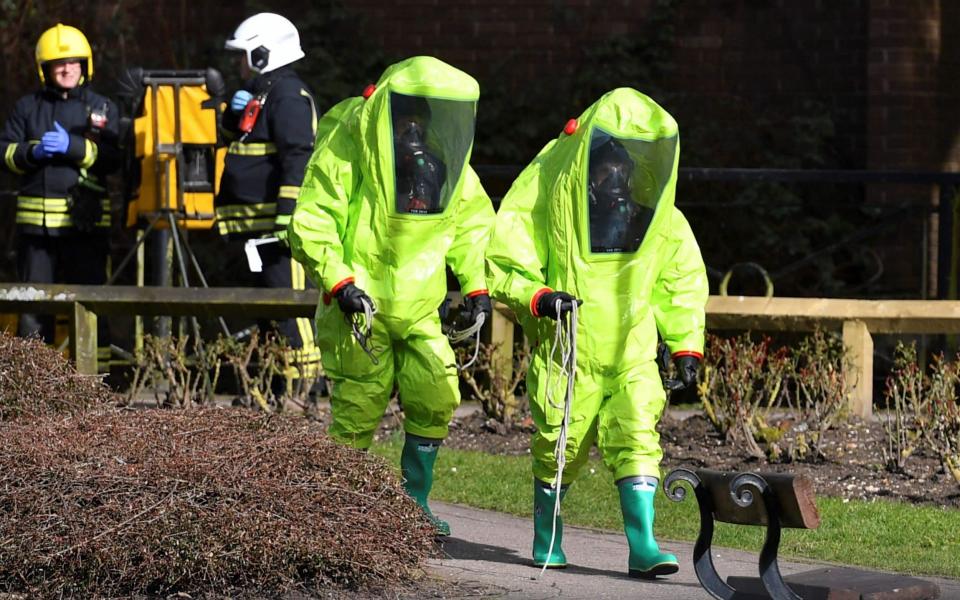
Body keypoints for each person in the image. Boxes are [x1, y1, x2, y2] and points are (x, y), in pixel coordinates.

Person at [485, 88, 707, 578]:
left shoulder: (657, 218)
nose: (616, 179)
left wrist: (686, 344)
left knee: (637, 435)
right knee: (557, 445)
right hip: (568, 350)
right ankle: (548, 537)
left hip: (632, 352)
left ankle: (644, 545)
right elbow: (505, 259)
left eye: (623, 168)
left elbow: (681, 281)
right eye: (606, 168)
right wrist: (540, 297)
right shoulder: (549, 192)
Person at [288, 56, 495, 535]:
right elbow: (314, 219)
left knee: (436, 392)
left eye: (420, 124)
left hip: (421, 305)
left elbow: (469, 225)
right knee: (359, 406)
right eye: (405, 123)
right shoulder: (350, 143)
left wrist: (476, 285)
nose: (413, 135)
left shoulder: (444, 163)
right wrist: (340, 282)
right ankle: (336, 512)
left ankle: (412, 506)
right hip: (361, 305)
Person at [0, 23, 119, 366]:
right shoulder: (27, 108)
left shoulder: (102, 108)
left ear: (85, 65)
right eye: (58, 63)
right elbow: (4, 153)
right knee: (34, 311)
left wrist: (76, 147)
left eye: (73, 62)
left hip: (87, 226)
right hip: (36, 233)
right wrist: (30, 152)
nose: (67, 69)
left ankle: (99, 388)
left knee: (93, 306)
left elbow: (113, 158)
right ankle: (35, 389)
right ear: (45, 69)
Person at [217, 13, 321, 396]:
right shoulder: (264, 94)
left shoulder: (289, 98)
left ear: (262, 54)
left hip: (277, 234)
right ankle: (269, 392)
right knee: (265, 316)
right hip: (253, 232)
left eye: (242, 56)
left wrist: (286, 221)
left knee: (290, 313)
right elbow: (236, 138)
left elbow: (299, 161)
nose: (236, 64)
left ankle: (302, 394)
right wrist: (232, 114)